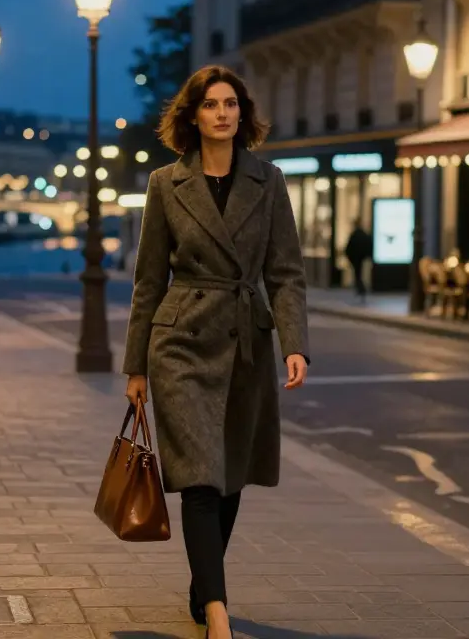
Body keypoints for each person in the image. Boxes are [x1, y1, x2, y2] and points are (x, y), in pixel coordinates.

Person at [122, 65, 310, 639]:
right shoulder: (165, 184)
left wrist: (293, 344)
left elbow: (285, 273)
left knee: (228, 477)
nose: (223, 113)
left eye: (231, 104)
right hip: (180, 342)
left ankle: (205, 587)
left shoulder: (269, 181)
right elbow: (148, 281)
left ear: (242, 114)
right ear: (193, 115)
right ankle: (218, 617)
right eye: (211, 104)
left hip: (244, 341)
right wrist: (135, 365)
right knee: (200, 477)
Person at [343, 221, 373, 301]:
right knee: (359, 273)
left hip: (355, 257)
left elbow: (349, 247)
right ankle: (360, 288)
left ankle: (361, 288)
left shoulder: (354, 235)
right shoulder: (363, 234)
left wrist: (349, 256)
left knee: (357, 274)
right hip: (361, 257)